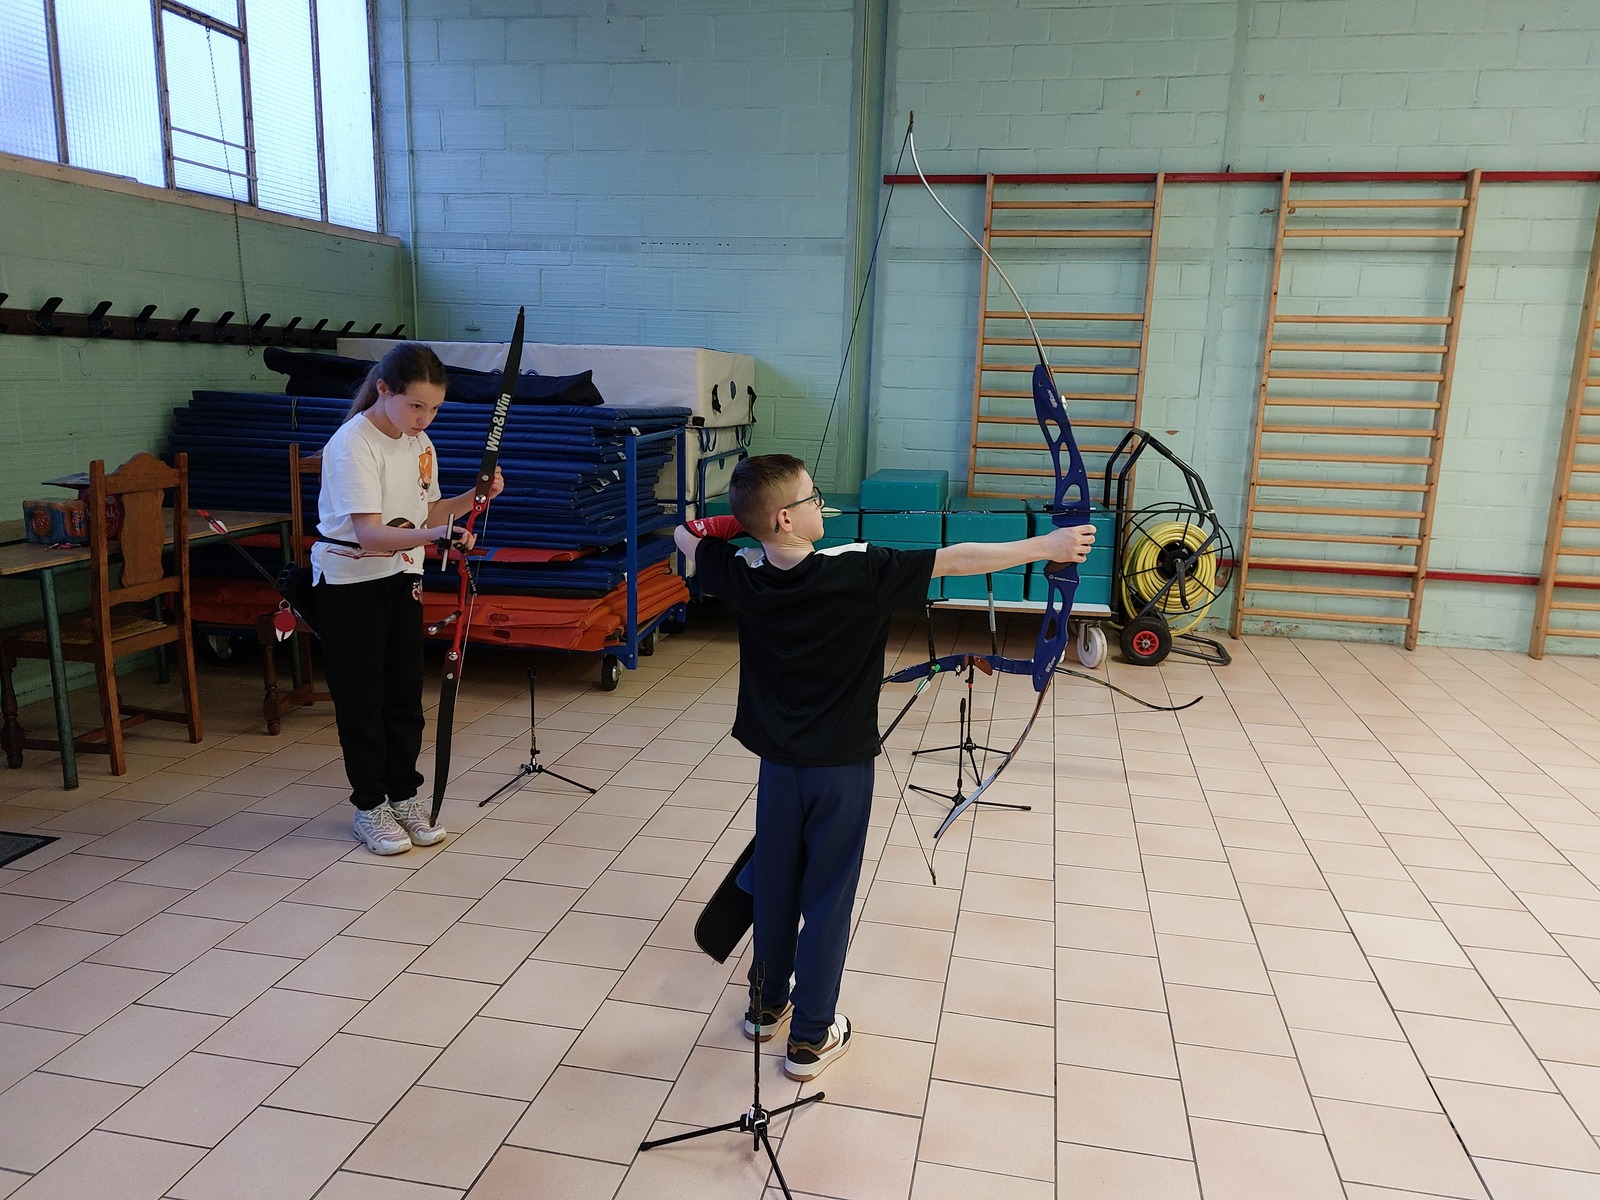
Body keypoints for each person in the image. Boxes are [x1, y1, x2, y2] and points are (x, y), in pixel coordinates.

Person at [676, 454, 1094, 1081]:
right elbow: (957, 560)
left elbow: (687, 534)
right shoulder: (859, 569)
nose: (823, 505)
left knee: (777, 882)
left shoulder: (739, 571)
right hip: (840, 772)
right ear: (786, 518)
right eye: (812, 498)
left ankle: (766, 1007)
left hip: (777, 768)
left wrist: (747, 521)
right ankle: (810, 1039)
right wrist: (1048, 546)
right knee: (828, 896)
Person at [312, 342, 504, 855]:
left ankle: (403, 796)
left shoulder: (420, 443)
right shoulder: (354, 443)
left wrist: (474, 498)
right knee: (362, 698)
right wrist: (434, 536)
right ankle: (369, 806)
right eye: (416, 405)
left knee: (404, 695)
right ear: (383, 389)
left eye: (434, 408)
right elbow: (370, 534)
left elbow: (431, 511)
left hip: (402, 576)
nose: (425, 418)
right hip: (351, 582)